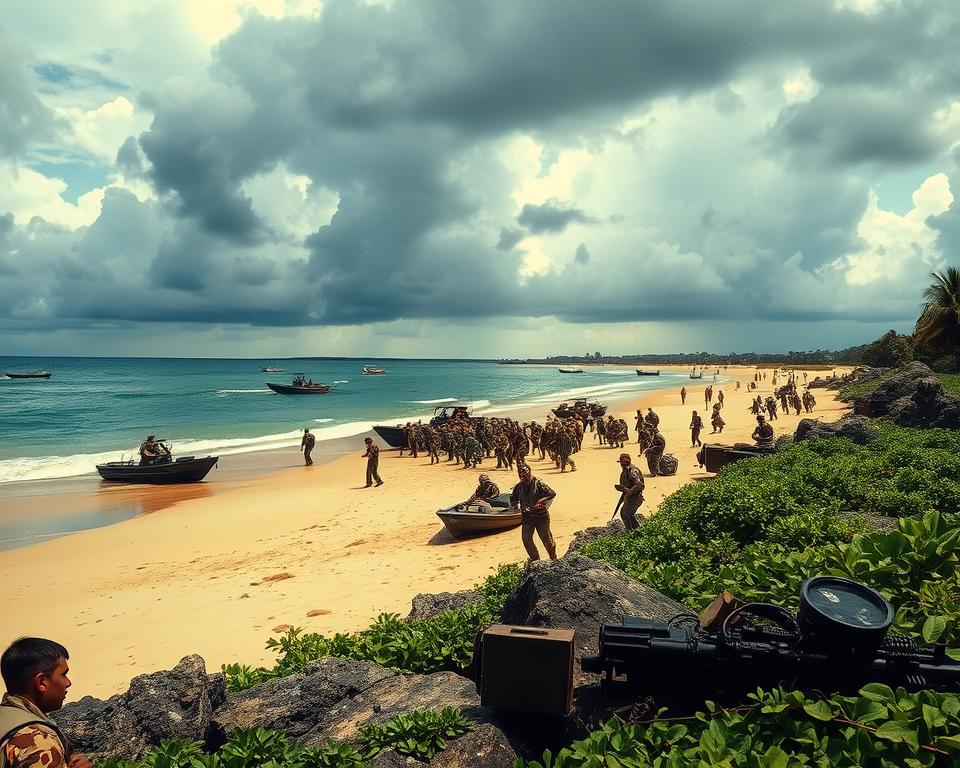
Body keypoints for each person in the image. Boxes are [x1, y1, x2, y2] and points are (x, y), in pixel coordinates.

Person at [0, 637, 91, 768]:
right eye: (63, 675)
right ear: (41, 682)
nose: (68, 683)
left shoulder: (6, 720)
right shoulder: (39, 743)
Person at [510, 464, 557, 561]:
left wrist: (543, 500)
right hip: (527, 517)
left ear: (530, 473)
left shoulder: (538, 484)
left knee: (546, 538)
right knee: (526, 539)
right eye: (521, 475)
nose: (524, 477)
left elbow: (552, 493)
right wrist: (516, 506)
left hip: (541, 516)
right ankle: (535, 560)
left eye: (525, 474)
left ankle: (553, 558)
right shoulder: (518, 487)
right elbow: (513, 499)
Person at [613, 453, 644, 531]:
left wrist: (628, 491)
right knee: (627, 514)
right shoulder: (627, 470)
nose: (622, 465)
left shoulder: (632, 470)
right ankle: (635, 531)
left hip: (635, 497)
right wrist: (622, 489)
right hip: (631, 497)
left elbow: (640, 485)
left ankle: (634, 532)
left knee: (625, 514)